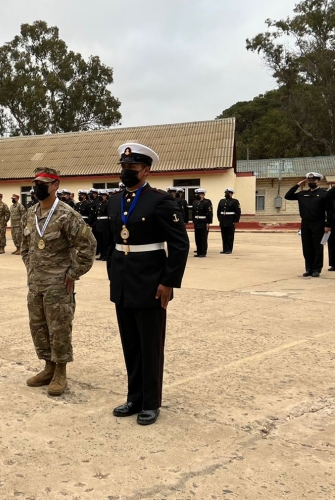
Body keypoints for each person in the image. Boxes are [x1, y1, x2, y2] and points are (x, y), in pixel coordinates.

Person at [107, 143, 189, 426]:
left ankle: (151, 402)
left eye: (132, 167)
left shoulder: (160, 201)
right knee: (130, 343)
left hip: (151, 282)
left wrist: (168, 282)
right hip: (123, 281)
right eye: (124, 167)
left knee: (150, 345)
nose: (126, 171)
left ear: (146, 170)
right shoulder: (114, 200)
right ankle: (134, 398)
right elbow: (113, 243)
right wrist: (113, 276)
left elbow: (179, 245)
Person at [22, 167, 96, 396]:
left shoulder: (67, 214)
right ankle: (48, 367)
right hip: (36, 283)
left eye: (43, 183)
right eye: (35, 183)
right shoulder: (31, 213)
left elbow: (87, 246)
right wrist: (31, 268)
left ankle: (61, 371)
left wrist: (73, 274)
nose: (37, 187)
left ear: (55, 185)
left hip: (58, 285)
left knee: (59, 327)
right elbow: (25, 246)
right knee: (39, 326)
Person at [284, 172, 335, 277]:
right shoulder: (302, 194)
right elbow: (287, 196)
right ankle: (309, 269)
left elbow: (330, 211)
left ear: (319, 181)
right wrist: (297, 185)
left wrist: (328, 224)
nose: (311, 182)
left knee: (317, 247)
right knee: (307, 247)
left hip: (319, 223)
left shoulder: (324, 194)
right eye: (309, 181)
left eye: (314, 180)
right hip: (305, 224)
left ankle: (316, 269)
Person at [217, 188, 241, 254]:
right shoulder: (222, 201)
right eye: (226, 193)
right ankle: (224, 249)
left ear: (231, 194)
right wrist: (220, 219)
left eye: (228, 193)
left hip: (230, 221)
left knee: (230, 236)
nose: (226, 194)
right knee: (224, 235)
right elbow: (218, 211)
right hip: (223, 220)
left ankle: (229, 249)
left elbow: (237, 212)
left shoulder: (235, 201)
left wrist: (236, 221)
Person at [192, 188, 212, 258]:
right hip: (197, 222)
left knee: (203, 238)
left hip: (203, 222)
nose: (197, 195)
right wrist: (193, 221)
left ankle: (203, 252)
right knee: (197, 238)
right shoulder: (195, 202)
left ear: (203, 195)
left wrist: (208, 222)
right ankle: (198, 251)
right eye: (197, 194)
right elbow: (193, 213)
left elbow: (209, 213)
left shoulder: (206, 203)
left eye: (199, 194)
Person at [94, 190, 111, 261]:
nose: (102, 197)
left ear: (106, 197)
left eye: (103, 196)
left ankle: (106, 255)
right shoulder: (98, 204)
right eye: (101, 195)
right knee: (99, 240)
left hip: (105, 223)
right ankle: (101, 254)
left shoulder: (107, 204)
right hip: (99, 223)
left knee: (105, 240)